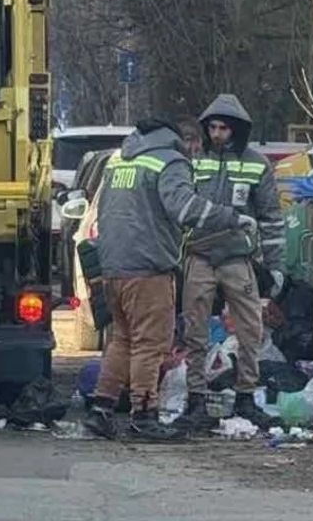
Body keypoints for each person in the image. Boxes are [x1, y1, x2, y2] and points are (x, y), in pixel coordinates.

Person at [85, 116, 249, 441]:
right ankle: (143, 416)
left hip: (113, 266)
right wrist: (232, 218)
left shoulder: (120, 160)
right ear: (182, 140)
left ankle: (101, 410)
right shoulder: (168, 161)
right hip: (147, 268)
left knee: (122, 339)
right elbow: (185, 208)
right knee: (150, 343)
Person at [177, 94, 284, 431]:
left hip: (240, 258)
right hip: (200, 255)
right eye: (212, 127)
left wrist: (276, 268)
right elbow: (180, 209)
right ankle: (195, 398)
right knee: (194, 330)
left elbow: (271, 217)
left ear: (236, 130)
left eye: (224, 128)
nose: (217, 134)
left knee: (250, 330)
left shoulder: (256, 163)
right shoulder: (193, 160)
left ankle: (246, 397)